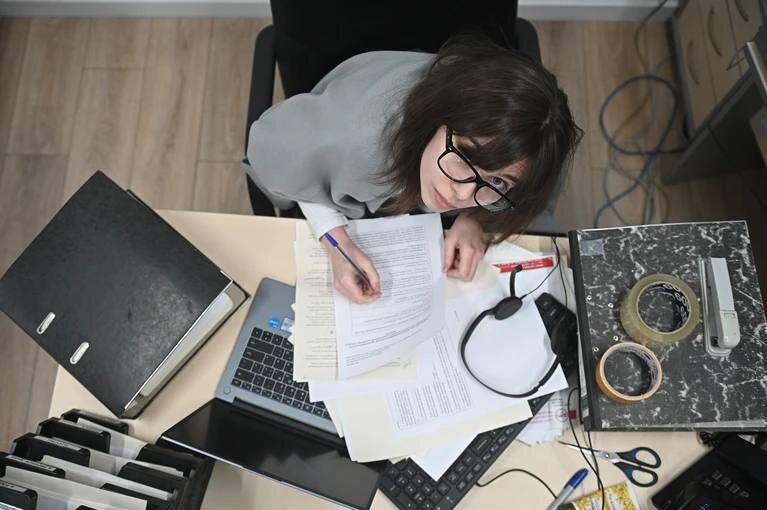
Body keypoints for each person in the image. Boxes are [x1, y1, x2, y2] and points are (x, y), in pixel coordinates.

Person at [245, 36, 582, 304]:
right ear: (438, 115)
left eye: (496, 181)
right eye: (464, 155)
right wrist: (334, 238)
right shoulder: (354, 141)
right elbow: (289, 166)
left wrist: (474, 219)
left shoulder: (496, 143)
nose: (462, 193)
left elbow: (510, 185)